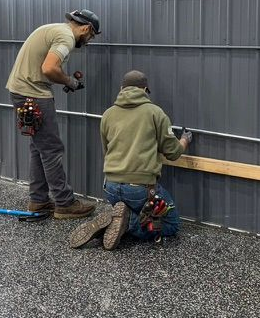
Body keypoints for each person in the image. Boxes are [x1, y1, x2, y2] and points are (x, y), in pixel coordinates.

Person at [69, 70, 192, 250]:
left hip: (110, 187)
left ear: (121, 89)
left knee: (134, 210)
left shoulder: (108, 114)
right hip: (141, 190)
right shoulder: (155, 113)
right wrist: (184, 141)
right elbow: (172, 152)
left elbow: (107, 151)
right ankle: (127, 223)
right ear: (145, 90)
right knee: (171, 224)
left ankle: (116, 218)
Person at [6, 9, 101, 219]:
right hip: (34, 94)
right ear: (85, 28)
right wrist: (69, 81)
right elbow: (49, 68)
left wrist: (65, 77)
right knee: (51, 149)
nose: (88, 41)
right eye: (91, 36)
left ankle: (38, 200)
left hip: (21, 92)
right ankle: (65, 203)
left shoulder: (53, 29)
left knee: (38, 148)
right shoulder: (66, 37)